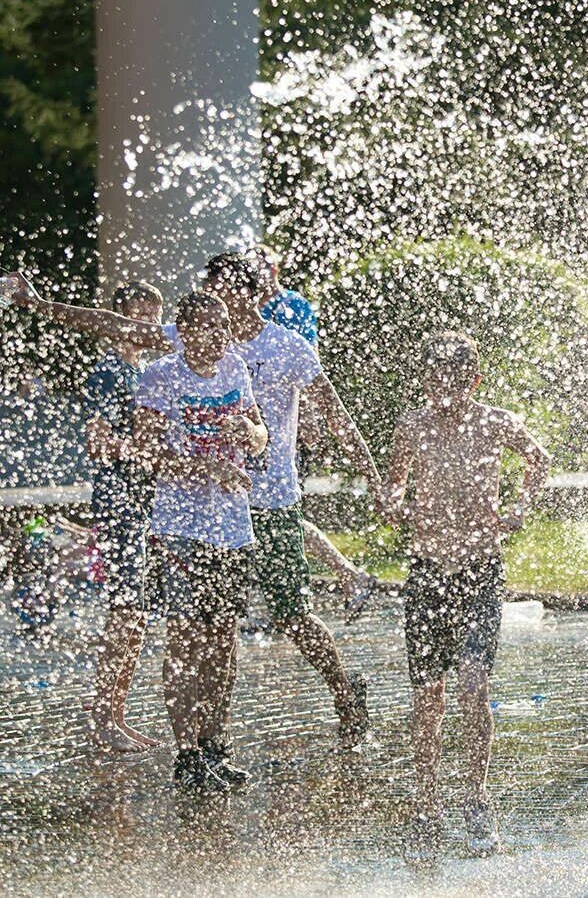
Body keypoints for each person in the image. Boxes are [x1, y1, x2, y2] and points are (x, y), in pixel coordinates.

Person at [7, 254, 382, 748]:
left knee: (290, 612)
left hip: (269, 500)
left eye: (226, 289)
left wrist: (376, 482)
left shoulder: (286, 347)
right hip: (202, 513)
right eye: (212, 289)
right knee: (201, 630)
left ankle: (343, 692)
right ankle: (203, 746)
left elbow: (335, 415)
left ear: (253, 294)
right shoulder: (194, 336)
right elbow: (117, 326)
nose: (215, 302)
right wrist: (38, 305)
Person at [379, 331, 550, 859]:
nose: (443, 392)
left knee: (474, 682)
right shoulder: (411, 425)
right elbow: (392, 485)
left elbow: (538, 459)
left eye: (453, 382)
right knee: (428, 697)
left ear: (473, 381)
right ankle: (425, 805)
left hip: (478, 570)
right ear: (424, 380)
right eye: (433, 381)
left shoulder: (495, 422)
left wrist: (520, 508)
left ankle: (475, 799)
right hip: (429, 571)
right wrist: (394, 505)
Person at [132, 291, 268, 790]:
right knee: (186, 640)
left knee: (223, 643)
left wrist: (246, 432)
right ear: (185, 330)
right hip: (179, 530)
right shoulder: (158, 376)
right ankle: (187, 754)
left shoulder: (235, 369)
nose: (220, 335)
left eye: (224, 325)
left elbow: (260, 435)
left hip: (232, 529)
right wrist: (204, 466)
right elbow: (146, 455)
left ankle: (215, 746)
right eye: (208, 327)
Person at [247, 244, 377, 614]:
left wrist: (307, 417)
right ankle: (336, 578)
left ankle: (344, 574)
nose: (257, 276)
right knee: (265, 514)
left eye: (262, 268)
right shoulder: (246, 313)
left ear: (275, 270)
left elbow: (306, 365)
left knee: (281, 513)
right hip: (256, 435)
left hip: (287, 433)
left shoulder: (291, 307)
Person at [84, 281, 165, 753]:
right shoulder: (108, 372)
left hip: (142, 504)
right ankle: (103, 717)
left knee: (135, 615)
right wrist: (147, 453)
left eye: (153, 317)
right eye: (138, 317)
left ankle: (115, 713)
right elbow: (97, 441)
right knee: (125, 611)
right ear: (117, 320)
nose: (148, 326)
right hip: (120, 503)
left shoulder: (146, 372)